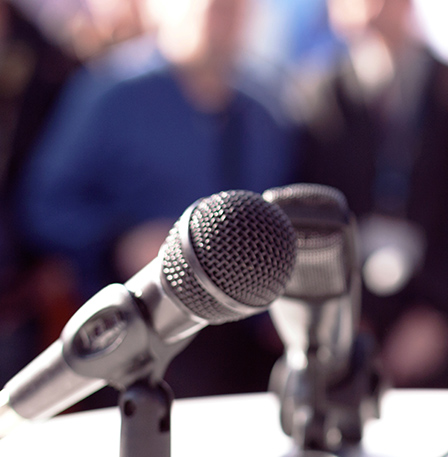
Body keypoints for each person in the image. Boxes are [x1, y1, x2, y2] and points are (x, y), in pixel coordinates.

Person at [14, 0, 296, 403]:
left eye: (235, 7)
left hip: (237, 351)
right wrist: (120, 241)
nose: (221, 17)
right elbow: (46, 204)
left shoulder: (266, 113)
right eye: (210, 6)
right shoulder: (110, 94)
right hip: (135, 341)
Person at [293, 0, 448, 389]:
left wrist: (438, 310)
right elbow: (311, 209)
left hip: (443, 319)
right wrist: (342, 315)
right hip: (350, 318)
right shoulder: (316, 96)